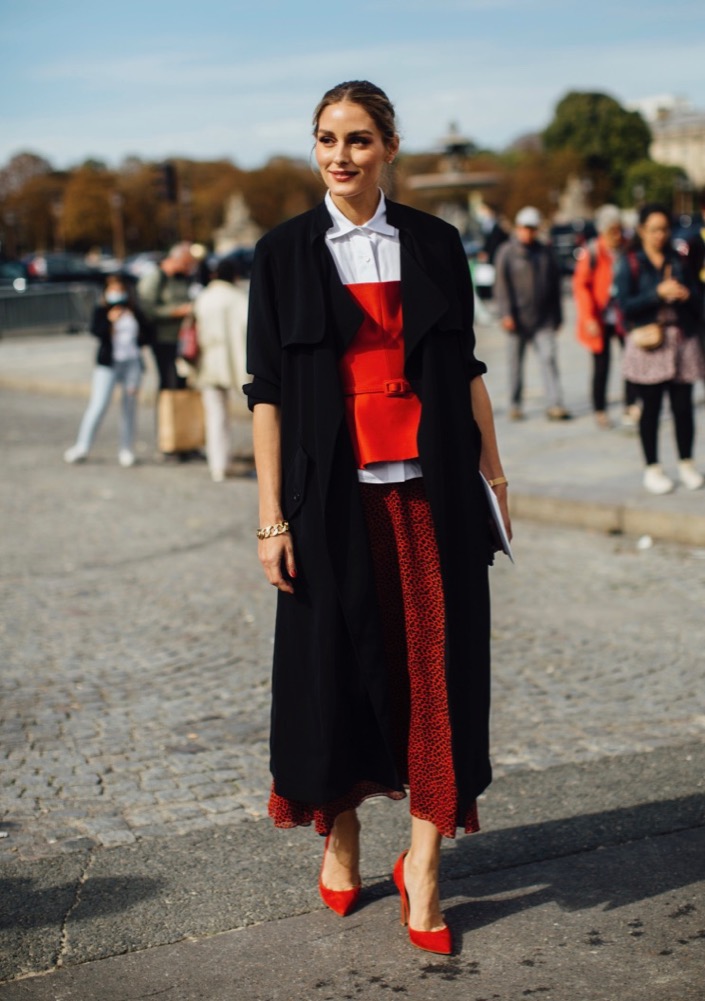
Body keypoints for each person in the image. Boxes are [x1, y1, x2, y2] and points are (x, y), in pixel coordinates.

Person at [245, 80, 511, 956]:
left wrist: (495, 473)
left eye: (358, 139)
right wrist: (270, 520)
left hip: (430, 491)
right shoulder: (281, 253)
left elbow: (466, 369)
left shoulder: (436, 244)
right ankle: (344, 831)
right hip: (328, 502)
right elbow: (268, 398)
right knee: (337, 671)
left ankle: (424, 864)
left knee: (439, 673)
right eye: (326, 138)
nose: (340, 155)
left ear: (390, 145)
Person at [615, 203, 705, 494]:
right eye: (654, 229)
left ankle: (686, 463)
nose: (660, 235)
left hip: (680, 342)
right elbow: (625, 306)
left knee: (683, 408)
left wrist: (685, 294)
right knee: (650, 409)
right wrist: (657, 293)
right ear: (642, 230)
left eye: (665, 229)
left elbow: (700, 303)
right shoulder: (630, 262)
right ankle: (652, 468)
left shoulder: (678, 260)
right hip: (648, 343)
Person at [64, 274, 153, 466]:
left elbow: (147, 335)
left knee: (129, 408)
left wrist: (139, 334)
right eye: (113, 290)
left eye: (120, 290)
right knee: (98, 405)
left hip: (132, 364)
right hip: (108, 364)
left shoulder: (133, 311)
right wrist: (110, 321)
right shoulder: (102, 310)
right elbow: (96, 332)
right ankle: (82, 446)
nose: (117, 294)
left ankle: (126, 449)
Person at [494, 206, 571, 421]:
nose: (528, 232)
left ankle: (555, 404)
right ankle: (514, 405)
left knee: (549, 359)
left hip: (543, 318)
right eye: (524, 228)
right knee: (515, 365)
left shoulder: (545, 252)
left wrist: (558, 316)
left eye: (532, 229)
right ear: (518, 228)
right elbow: (501, 286)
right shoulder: (506, 252)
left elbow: (555, 287)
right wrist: (506, 314)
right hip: (517, 319)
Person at [572, 204, 640, 428]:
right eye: (612, 231)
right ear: (603, 231)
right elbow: (580, 286)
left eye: (619, 230)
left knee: (630, 359)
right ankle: (600, 409)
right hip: (600, 317)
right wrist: (588, 317)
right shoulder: (592, 252)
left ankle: (631, 404)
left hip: (623, 315)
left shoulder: (627, 250)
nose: (617, 235)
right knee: (601, 365)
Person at [192, 257, 250, 482]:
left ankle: (217, 464)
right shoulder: (238, 299)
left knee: (215, 414)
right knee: (254, 413)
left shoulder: (203, 298)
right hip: (235, 361)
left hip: (208, 361)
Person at [137, 241, 197, 393]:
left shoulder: (181, 278)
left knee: (182, 381)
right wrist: (175, 311)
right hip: (163, 338)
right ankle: (167, 416)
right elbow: (147, 308)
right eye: (186, 263)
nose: (188, 268)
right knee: (169, 382)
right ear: (175, 259)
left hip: (182, 338)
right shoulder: (156, 277)